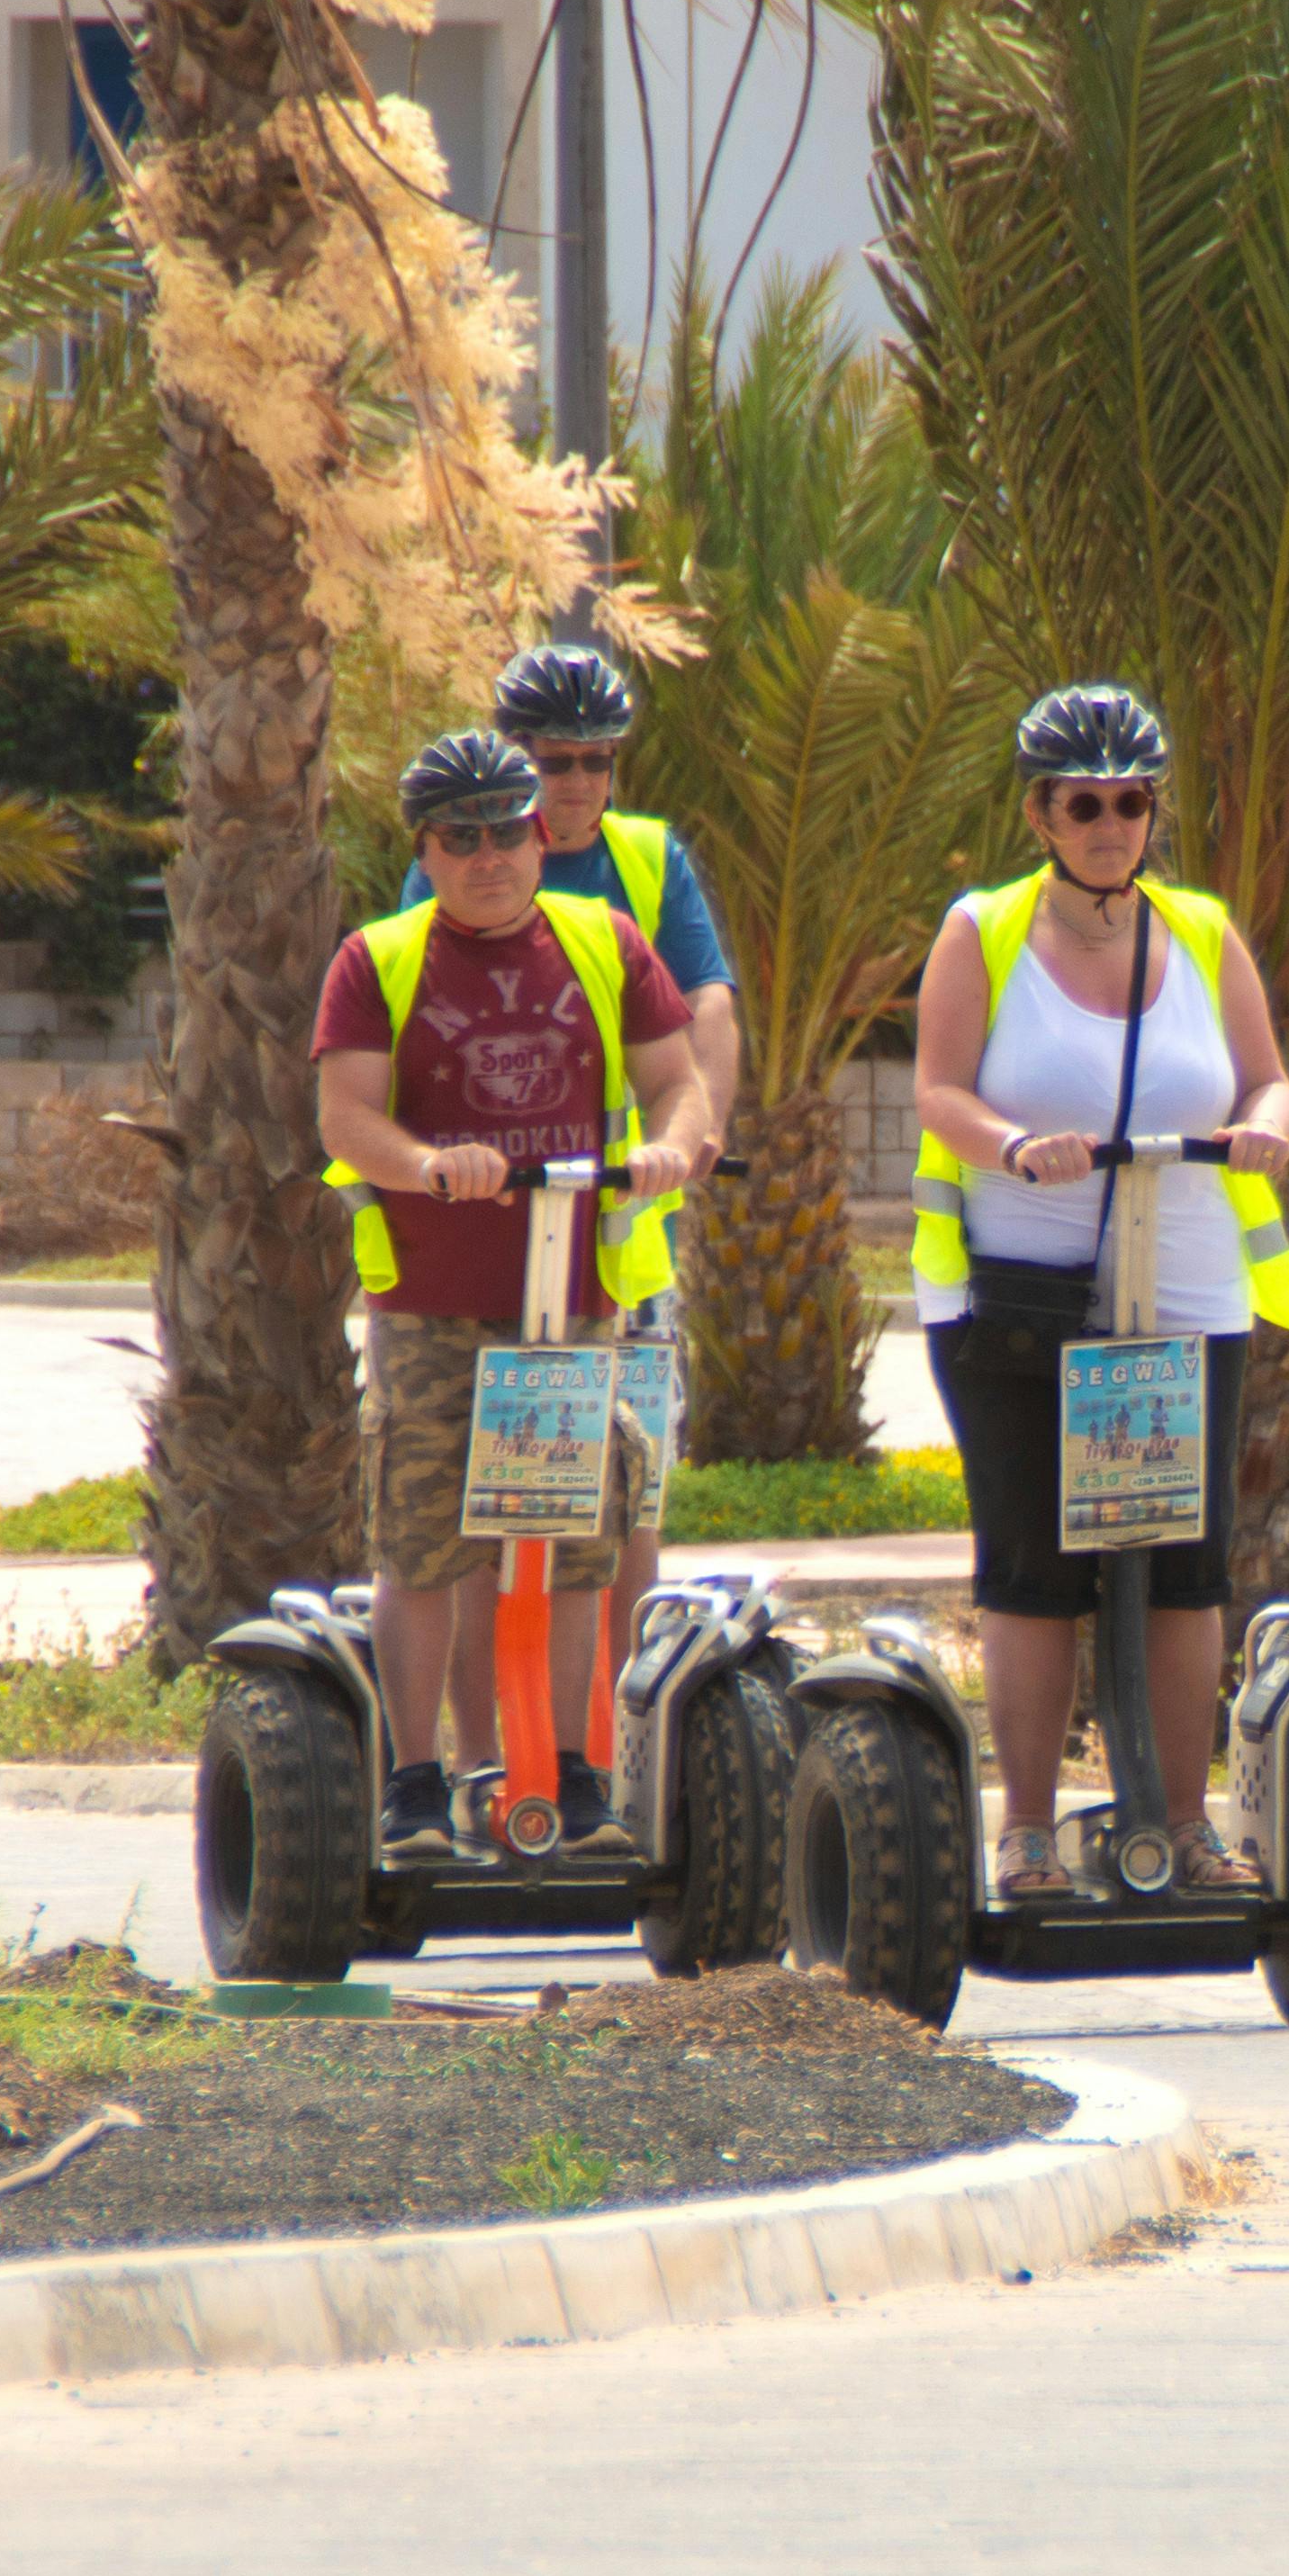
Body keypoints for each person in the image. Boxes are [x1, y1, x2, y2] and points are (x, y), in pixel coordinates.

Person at [906, 683, 1289, 1901]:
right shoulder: (983, 931)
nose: (1109, 826)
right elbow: (938, 1094)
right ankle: (1024, 1830)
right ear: (1039, 812)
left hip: (1188, 1290)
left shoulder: (1198, 931)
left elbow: (1267, 1080)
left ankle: (1187, 1828)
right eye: (1083, 803)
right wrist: (1014, 1142)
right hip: (1025, 1293)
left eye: (1130, 803)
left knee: (1187, 1562)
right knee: (1034, 1562)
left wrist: (1267, 1131)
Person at [313, 727, 715, 1860]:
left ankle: (577, 1781)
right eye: (461, 838)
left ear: (540, 836)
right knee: (424, 1537)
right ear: (426, 852)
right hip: (436, 1304)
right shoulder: (377, 959)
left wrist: (673, 1151)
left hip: (573, 1295)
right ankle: (416, 1783)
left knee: (575, 1532)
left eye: (508, 831)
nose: (490, 856)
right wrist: (430, 1164)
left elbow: (678, 1083)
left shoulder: (601, 940)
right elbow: (347, 1118)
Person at [401, 642, 748, 1775]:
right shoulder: (465, 855)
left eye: (599, 760)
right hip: (488, 1243)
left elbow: (705, 1008)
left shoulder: (648, 861)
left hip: (619, 1249)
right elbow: (408, 1003)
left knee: (623, 1506)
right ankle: (478, 1761)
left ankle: (616, 1756)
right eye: (555, 761)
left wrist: (687, 1144)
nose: (578, 785)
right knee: (477, 1516)